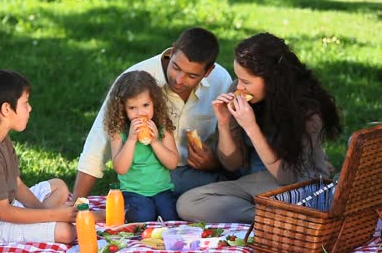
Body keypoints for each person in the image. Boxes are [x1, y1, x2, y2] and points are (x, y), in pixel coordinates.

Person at [176, 33, 342, 223]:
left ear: (272, 81)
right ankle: (280, 218)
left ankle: (288, 217)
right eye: (238, 78)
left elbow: (286, 176)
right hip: (252, 180)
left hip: (299, 185)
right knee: (188, 201)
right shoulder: (237, 91)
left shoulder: (307, 111)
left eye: (246, 82)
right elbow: (232, 163)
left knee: (192, 201)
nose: (239, 86)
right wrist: (223, 123)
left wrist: (251, 126)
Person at [72, 27, 234, 201]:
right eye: (176, 67)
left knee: (232, 185)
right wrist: (76, 204)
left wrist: (214, 161)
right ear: (171, 52)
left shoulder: (220, 80)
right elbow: (98, 143)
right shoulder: (135, 80)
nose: (179, 80)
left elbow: (231, 135)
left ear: (208, 72)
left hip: (200, 172)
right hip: (150, 172)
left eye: (191, 76)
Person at [0, 69, 80, 244]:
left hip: (7, 206)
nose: (30, 108)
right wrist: (56, 215)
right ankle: (48, 220)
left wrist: (44, 214)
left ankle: (44, 219)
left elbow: (17, 184)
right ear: (6, 109)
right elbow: (3, 212)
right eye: (25, 103)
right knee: (67, 232)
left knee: (59, 186)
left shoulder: (0, 136)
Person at [104, 70, 179, 222]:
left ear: (154, 103)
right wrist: (131, 140)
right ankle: (123, 213)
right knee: (143, 215)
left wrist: (155, 142)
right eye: (132, 108)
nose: (140, 113)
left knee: (171, 217)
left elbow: (172, 163)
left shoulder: (162, 125)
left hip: (162, 190)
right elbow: (120, 168)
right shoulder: (119, 130)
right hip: (133, 191)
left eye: (145, 105)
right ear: (123, 108)